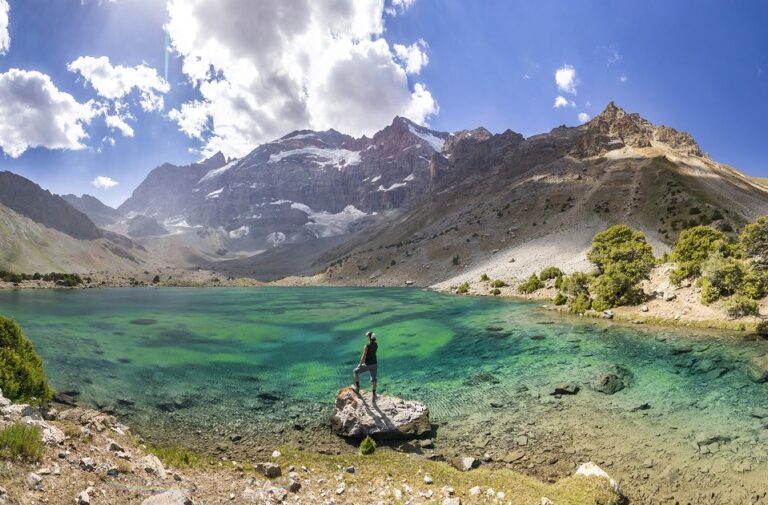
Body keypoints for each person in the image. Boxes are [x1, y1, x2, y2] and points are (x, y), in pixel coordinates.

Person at [352, 331, 378, 398]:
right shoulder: (376, 344)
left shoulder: (367, 346)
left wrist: (360, 364)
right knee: (374, 379)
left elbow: (364, 356)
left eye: (368, 336)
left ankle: (357, 388)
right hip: (375, 364)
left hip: (368, 364)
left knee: (355, 371)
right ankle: (374, 393)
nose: (367, 337)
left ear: (369, 338)